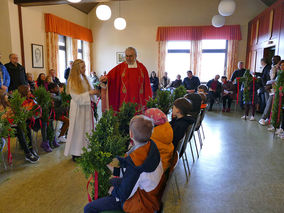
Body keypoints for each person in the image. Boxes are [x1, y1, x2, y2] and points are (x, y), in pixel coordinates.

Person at [84, 115, 164, 213]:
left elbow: (124, 194)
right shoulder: (151, 146)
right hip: (149, 192)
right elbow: (134, 175)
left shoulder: (136, 164)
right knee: (111, 181)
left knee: (89, 208)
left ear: (131, 134)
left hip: (141, 202)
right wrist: (115, 170)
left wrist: (112, 191)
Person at [65, 59, 98, 161]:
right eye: (82, 67)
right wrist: (90, 94)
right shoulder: (72, 80)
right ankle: (76, 153)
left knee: (86, 129)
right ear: (76, 69)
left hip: (86, 107)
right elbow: (76, 96)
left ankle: (85, 150)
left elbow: (90, 90)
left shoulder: (85, 77)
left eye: (85, 67)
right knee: (78, 130)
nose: (85, 69)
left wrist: (95, 92)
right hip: (78, 108)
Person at [100, 47, 152, 112]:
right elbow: (111, 76)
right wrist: (106, 78)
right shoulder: (120, 67)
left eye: (130, 56)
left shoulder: (142, 68)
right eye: (126, 56)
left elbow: (146, 85)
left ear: (135, 56)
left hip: (138, 100)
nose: (128, 58)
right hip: (124, 100)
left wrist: (147, 99)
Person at [0, 89, 38, 163]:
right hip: (5, 129)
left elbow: (14, 114)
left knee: (26, 127)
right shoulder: (1, 107)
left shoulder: (9, 104)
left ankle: (30, 149)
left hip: (12, 125)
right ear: (2, 97)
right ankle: (28, 153)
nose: (7, 96)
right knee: (19, 129)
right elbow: (3, 119)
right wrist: (8, 115)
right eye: (6, 95)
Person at [259, 57, 281, 126]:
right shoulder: (272, 67)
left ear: (278, 60)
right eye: (272, 60)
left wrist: (270, 85)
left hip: (275, 88)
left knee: (269, 103)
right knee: (268, 103)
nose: (272, 61)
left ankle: (264, 118)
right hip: (268, 87)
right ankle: (268, 118)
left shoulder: (279, 69)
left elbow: (277, 80)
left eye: (274, 60)